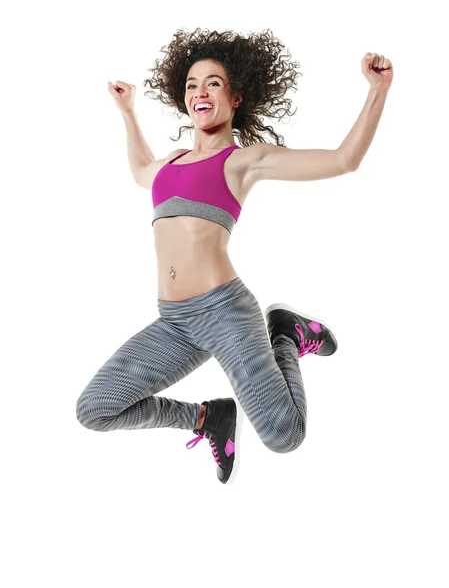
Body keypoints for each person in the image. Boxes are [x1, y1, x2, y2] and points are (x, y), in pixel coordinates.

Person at [76, 28, 392, 484]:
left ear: (237, 96)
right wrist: (128, 113)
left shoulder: (242, 161)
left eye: (213, 83)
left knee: (285, 435)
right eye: (190, 85)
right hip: (173, 321)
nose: (199, 92)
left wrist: (377, 91)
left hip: (225, 312)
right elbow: (141, 171)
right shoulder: (170, 164)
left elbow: (344, 160)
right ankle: (208, 419)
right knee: (95, 408)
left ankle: (284, 333)